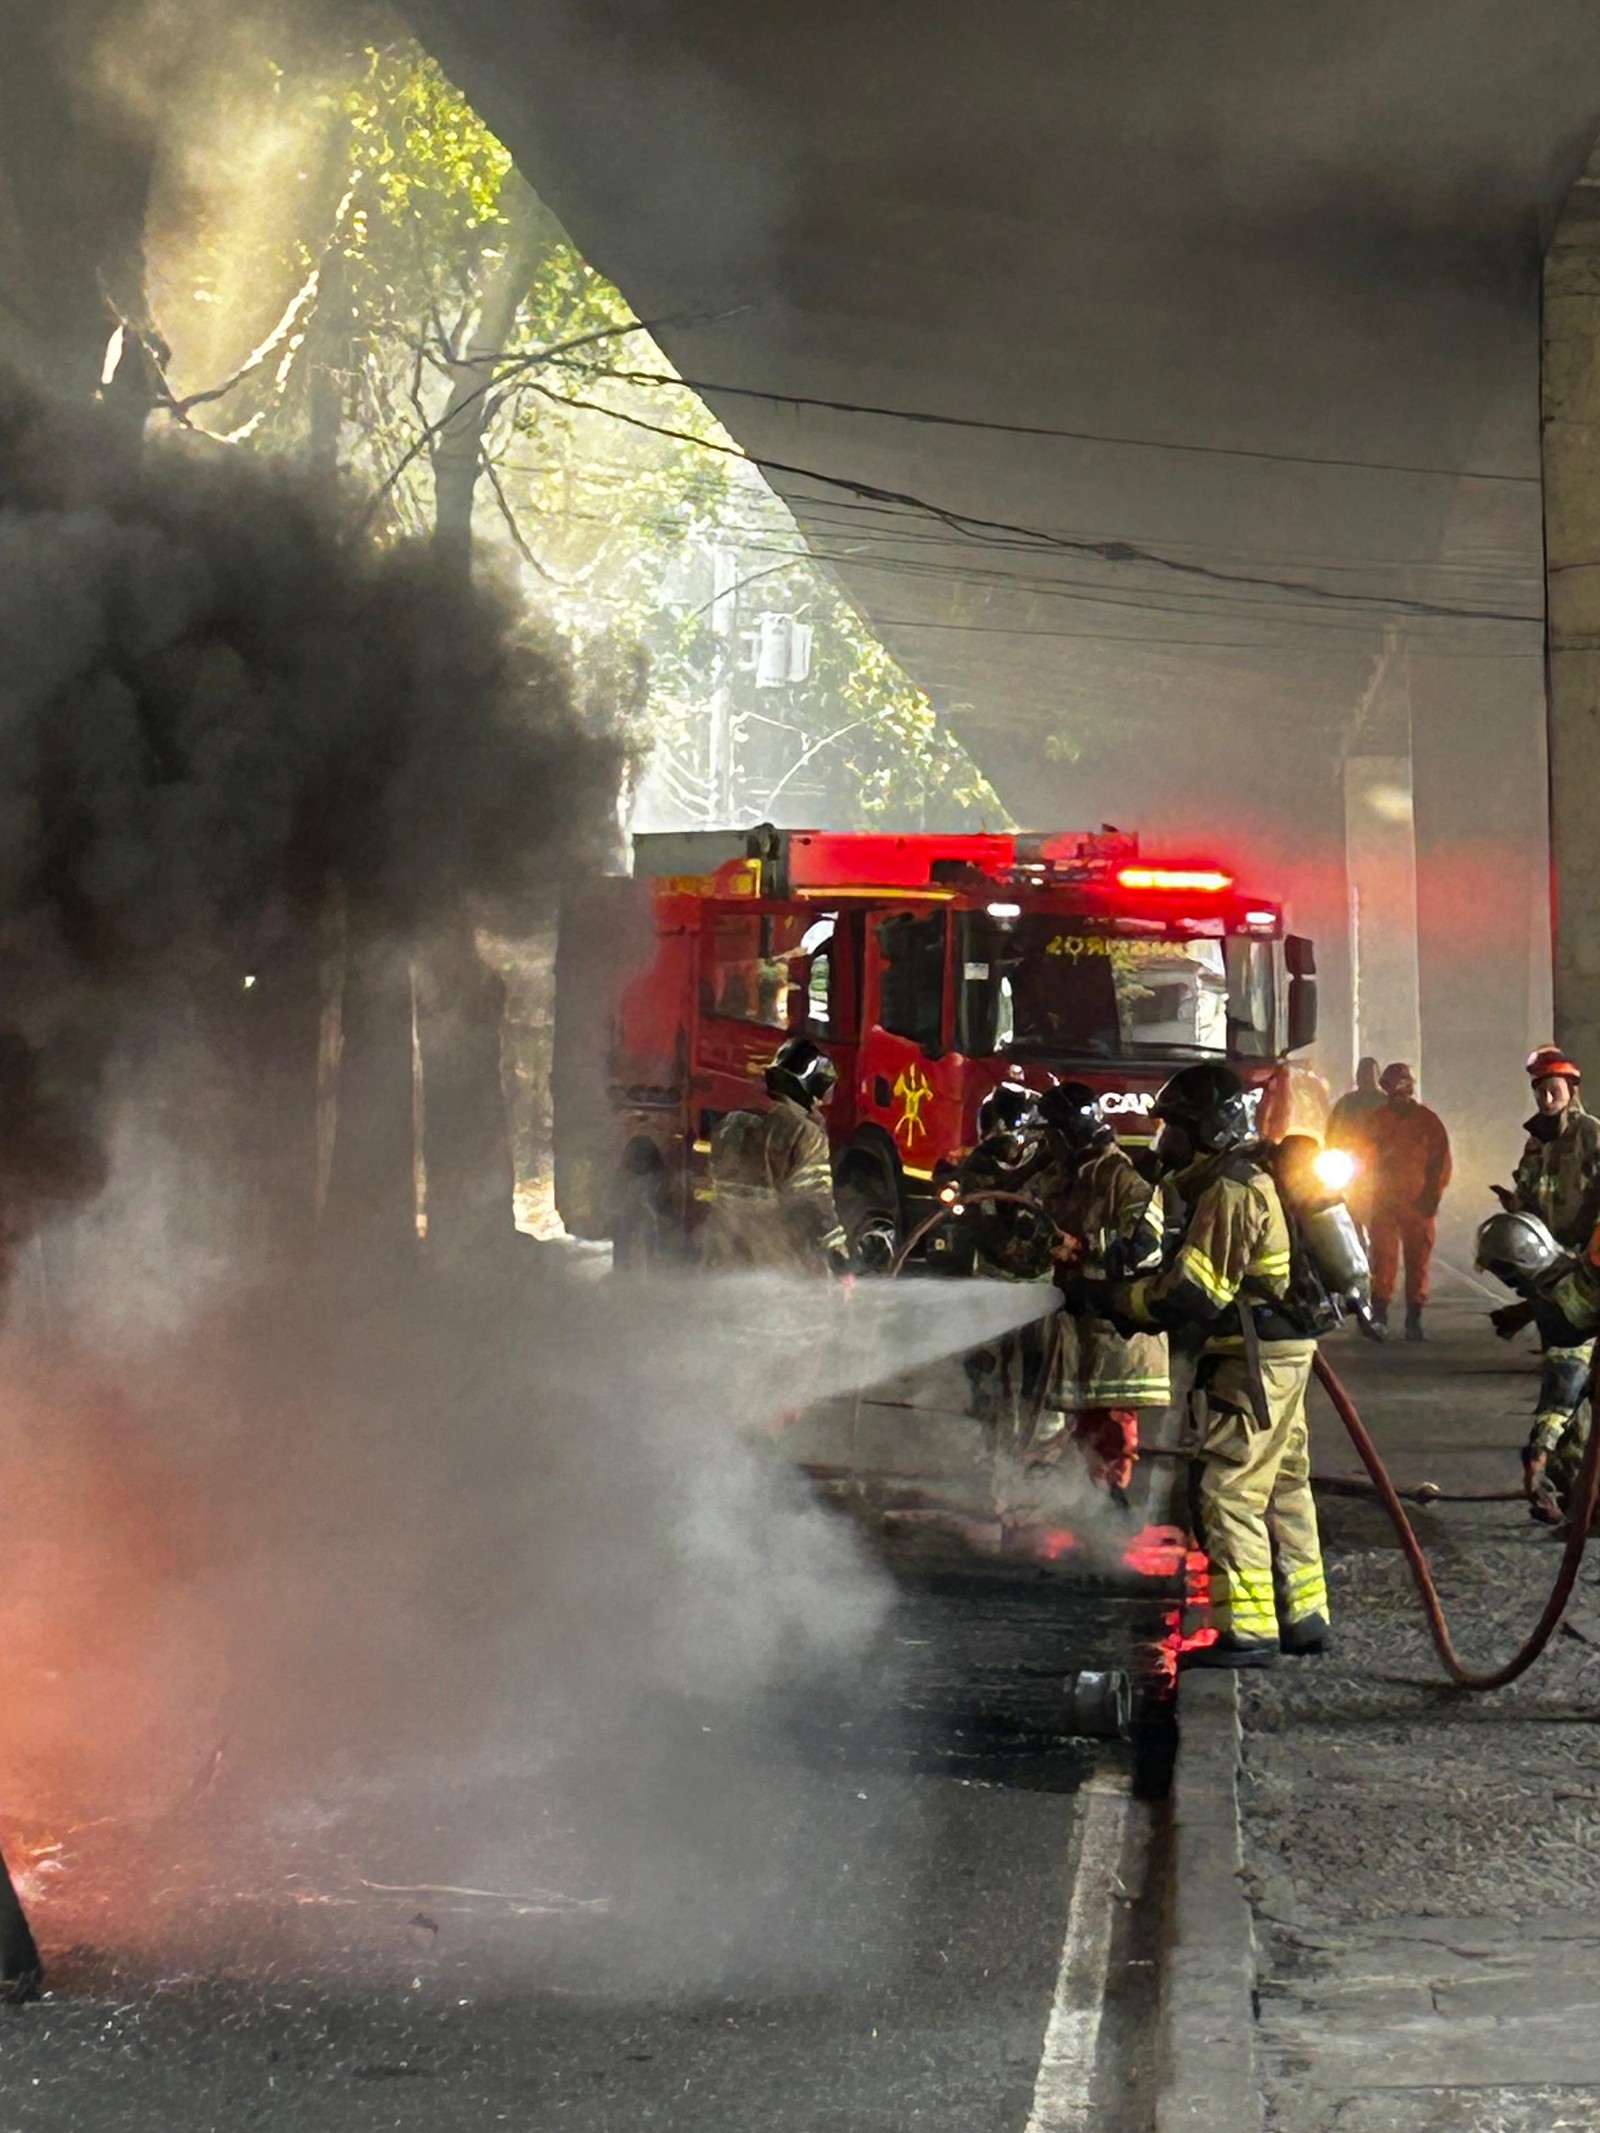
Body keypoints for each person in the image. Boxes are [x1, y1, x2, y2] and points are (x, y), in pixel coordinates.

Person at [1094, 1062, 1330, 1667]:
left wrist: (1118, 1301)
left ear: (1209, 1129)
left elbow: (1195, 1293)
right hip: (1279, 1350)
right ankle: (1303, 1616)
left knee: (1227, 1487)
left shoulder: (1232, 1188)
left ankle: (1247, 1631)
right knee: (1281, 1483)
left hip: (1250, 1357)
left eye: (1175, 1126)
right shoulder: (1244, 1177)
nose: (1163, 1140)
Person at [1031, 1081, 1170, 1499]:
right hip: (1081, 1332)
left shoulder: (1121, 1177)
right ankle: (1086, 1521)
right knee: (1083, 1433)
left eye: (1051, 1135)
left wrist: (1080, 1250)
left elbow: (1146, 1248)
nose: (1046, 1144)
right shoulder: (1063, 1175)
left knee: (1111, 1433)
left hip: (1117, 1335)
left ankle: (1114, 1527)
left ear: (1067, 1134)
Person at [1489, 1046, 1600, 1504]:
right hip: (1554, 1274)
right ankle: (1573, 1494)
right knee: (1569, 1389)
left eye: (1553, 1088)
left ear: (1571, 1090)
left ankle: (1570, 1489)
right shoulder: (1537, 1143)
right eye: (1539, 1089)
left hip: (1587, 1272)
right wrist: (1517, 1210)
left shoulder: (1592, 1137)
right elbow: (1535, 1201)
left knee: (1571, 1382)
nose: (1546, 1097)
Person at [701, 1036, 849, 1274]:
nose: (821, 1103)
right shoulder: (804, 1133)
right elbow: (813, 1202)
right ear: (811, 1086)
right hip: (775, 1258)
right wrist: (838, 1254)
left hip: (723, 1253)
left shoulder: (732, 1122)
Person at [1363, 1062, 1452, 1340]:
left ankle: (1413, 1319)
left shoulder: (1427, 1122)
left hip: (1417, 1204)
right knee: (1383, 1261)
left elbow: (1441, 1163)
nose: (1399, 1096)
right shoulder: (1378, 1119)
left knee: (1417, 1262)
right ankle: (1380, 1315)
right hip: (1386, 1203)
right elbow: (1363, 1157)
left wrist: (1432, 1195)